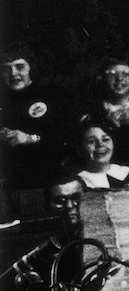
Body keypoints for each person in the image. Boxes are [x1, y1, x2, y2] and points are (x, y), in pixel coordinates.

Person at [1, 45, 80, 205]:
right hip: (12, 185)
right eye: (6, 69)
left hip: (51, 181)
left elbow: (68, 136)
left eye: (20, 67)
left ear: (31, 67)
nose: (14, 73)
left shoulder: (52, 94)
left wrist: (31, 138)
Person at [70, 120, 129, 192]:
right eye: (91, 141)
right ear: (80, 149)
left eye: (105, 139)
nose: (100, 144)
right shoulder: (76, 181)